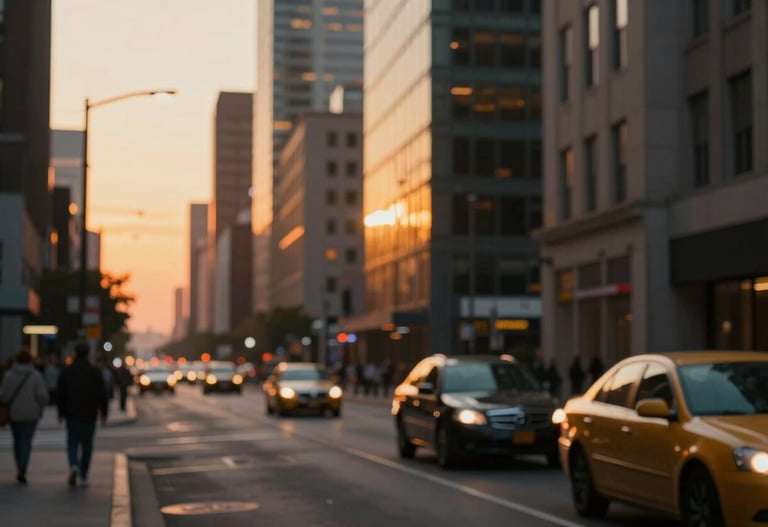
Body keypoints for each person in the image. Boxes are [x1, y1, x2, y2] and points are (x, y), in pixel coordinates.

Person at [57, 342, 108, 487]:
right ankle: (83, 472)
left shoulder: (67, 371)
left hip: (71, 412)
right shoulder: (94, 371)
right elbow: (102, 394)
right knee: (87, 445)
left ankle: (73, 465)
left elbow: (61, 393)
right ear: (88, 354)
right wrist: (104, 412)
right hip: (89, 413)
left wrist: (60, 412)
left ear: (75, 353)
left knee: (72, 442)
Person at [0, 348, 49, 484]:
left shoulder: (9, 375)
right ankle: (23, 466)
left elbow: (3, 395)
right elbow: (43, 396)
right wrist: (39, 406)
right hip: (31, 413)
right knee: (27, 440)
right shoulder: (35, 376)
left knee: (17, 440)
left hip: (14, 413)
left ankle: (19, 465)